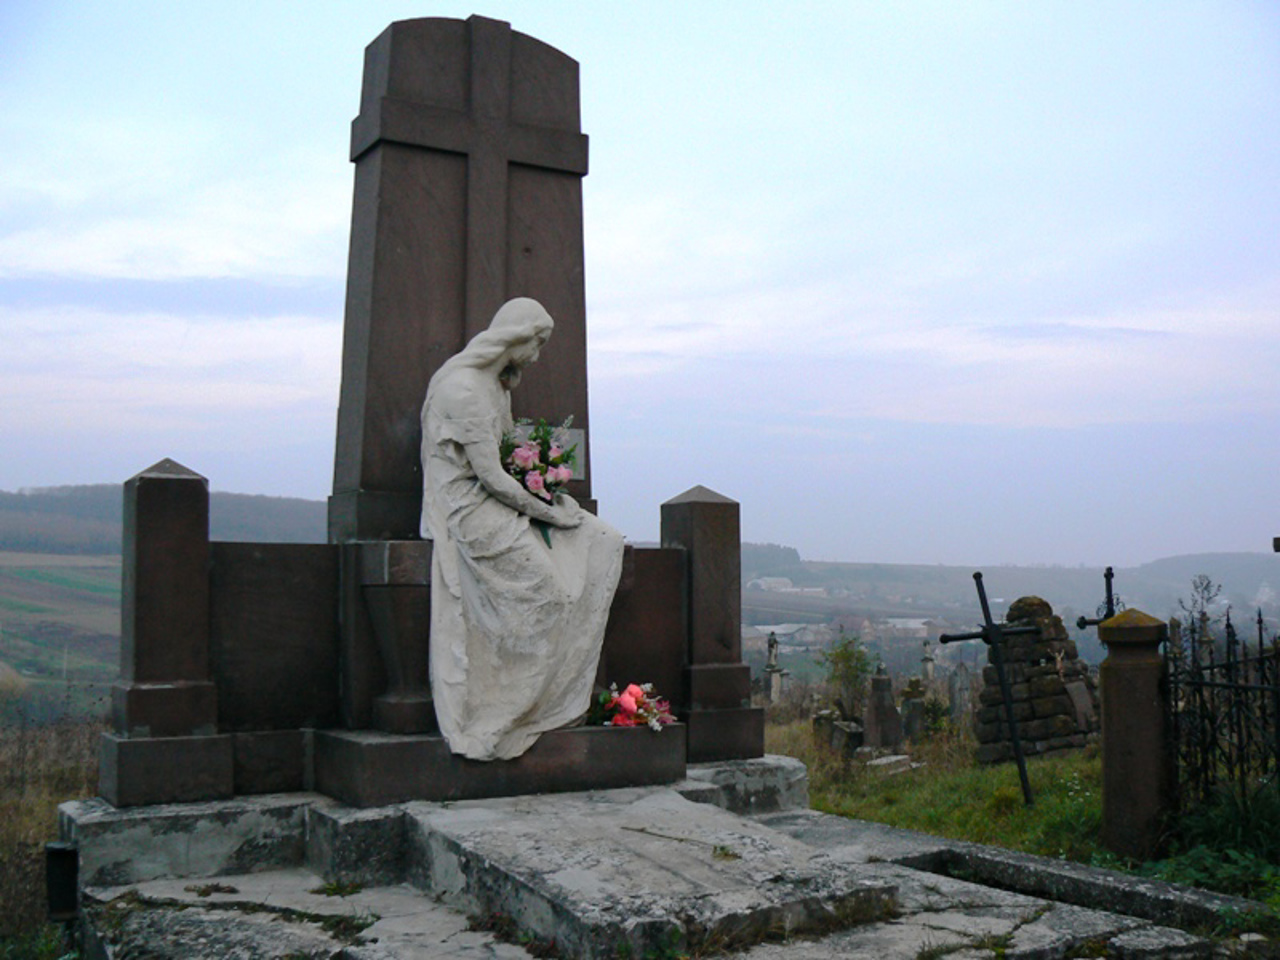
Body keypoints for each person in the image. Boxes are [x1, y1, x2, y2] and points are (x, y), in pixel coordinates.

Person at [419, 298, 625, 760]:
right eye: (537, 342)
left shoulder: (497, 387)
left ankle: (557, 691)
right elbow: (490, 478)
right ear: (513, 336)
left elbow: (508, 465)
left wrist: (548, 491)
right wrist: (548, 513)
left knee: (604, 540)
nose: (537, 355)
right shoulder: (463, 389)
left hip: (502, 499)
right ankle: (506, 710)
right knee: (550, 595)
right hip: (469, 510)